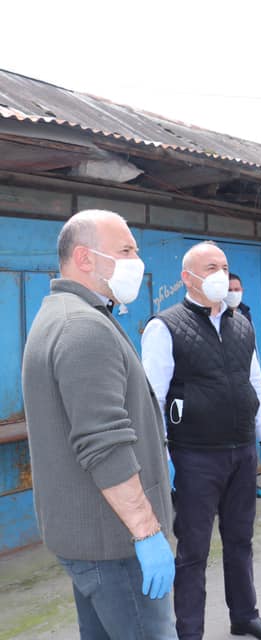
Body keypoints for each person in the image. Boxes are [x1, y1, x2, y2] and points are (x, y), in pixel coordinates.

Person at [21, 209, 177, 638]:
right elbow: (104, 445)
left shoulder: (69, 315)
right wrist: (146, 532)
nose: (137, 262)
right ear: (84, 258)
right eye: (125, 251)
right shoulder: (83, 328)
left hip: (95, 539)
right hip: (116, 543)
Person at [142, 241, 261, 640]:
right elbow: (151, 398)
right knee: (193, 550)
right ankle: (189, 632)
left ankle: (245, 616)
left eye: (223, 266)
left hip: (241, 450)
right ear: (187, 277)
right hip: (194, 456)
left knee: (240, 540)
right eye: (210, 268)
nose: (220, 274)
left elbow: (254, 382)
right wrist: (162, 452)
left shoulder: (241, 324)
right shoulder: (165, 326)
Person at [227, 273, 261, 500]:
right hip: (221, 392)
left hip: (245, 383)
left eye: (237, 289)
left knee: (246, 440)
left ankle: (250, 484)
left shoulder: (245, 315)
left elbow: (251, 353)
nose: (234, 293)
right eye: (230, 289)